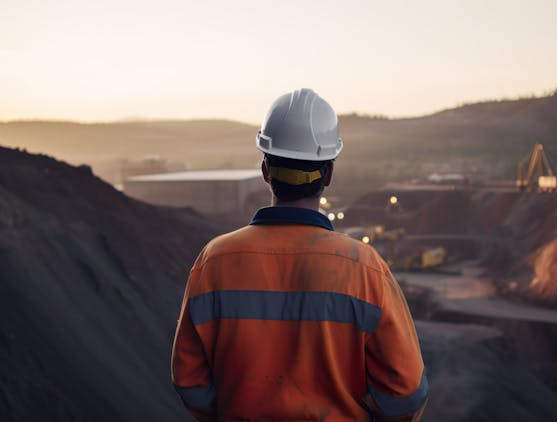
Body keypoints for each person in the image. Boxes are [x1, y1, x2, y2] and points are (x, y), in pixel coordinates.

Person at [171, 88, 428, 421]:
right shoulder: (365, 269)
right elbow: (405, 393)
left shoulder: (215, 261)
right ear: (329, 175)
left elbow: (188, 380)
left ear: (266, 171)